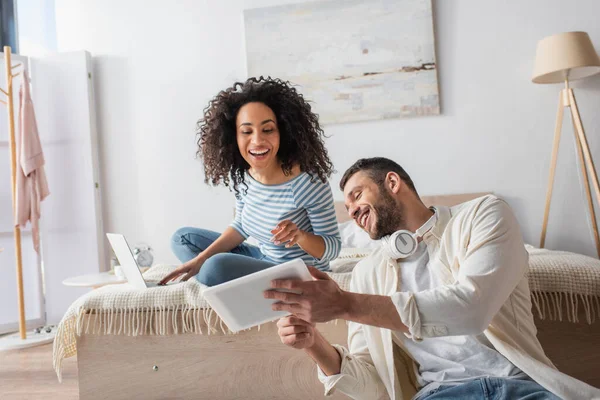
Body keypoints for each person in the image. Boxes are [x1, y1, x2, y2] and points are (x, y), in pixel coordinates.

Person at [264, 157, 599, 399]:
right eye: (347, 206)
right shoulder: (366, 275)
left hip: (522, 388)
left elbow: (472, 308)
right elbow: (372, 385)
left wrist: (343, 304)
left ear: (392, 183)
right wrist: (315, 346)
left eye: (356, 195)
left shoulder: (483, 214)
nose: (350, 210)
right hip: (440, 394)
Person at [160, 77, 341, 287]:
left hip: (296, 271)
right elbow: (241, 226)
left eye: (268, 130)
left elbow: (333, 248)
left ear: (283, 131)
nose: (257, 141)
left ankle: (215, 277)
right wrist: (199, 260)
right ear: (233, 137)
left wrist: (300, 236)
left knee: (215, 267)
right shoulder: (244, 176)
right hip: (261, 258)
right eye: (247, 131)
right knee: (182, 238)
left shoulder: (307, 182)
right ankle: (213, 276)